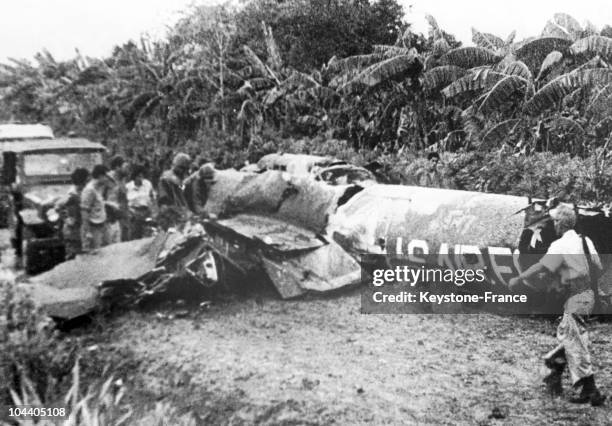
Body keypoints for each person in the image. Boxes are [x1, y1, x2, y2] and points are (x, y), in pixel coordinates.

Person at [509, 204, 606, 406]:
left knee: (573, 340)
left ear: (560, 223)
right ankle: (554, 367)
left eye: (554, 221)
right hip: (589, 296)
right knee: (571, 336)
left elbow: (541, 266)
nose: (553, 225)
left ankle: (590, 390)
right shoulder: (585, 241)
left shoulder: (560, 245)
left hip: (575, 297)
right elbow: (598, 266)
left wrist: (518, 279)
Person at [56, 168, 89, 259]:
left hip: (82, 232)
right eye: (87, 180)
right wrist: (68, 219)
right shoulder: (72, 195)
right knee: (74, 258)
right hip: (74, 233)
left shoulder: (82, 192)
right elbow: (58, 206)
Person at [80, 165, 110, 252]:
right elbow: (84, 211)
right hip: (93, 227)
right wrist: (88, 231)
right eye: (106, 176)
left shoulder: (99, 188)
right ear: (100, 176)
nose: (107, 179)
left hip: (101, 224)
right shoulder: (89, 190)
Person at [157, 152, 191, 228]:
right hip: (171, 215)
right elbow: (164, 200)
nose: (183, 171)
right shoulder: (167, 177)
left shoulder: (181, 178)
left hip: (182, 213)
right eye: (182, 168)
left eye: (185, 169)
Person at [126, 164, 156, 239]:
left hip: (146, 211)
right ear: (134, 177)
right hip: (134, 213)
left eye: (142, 176)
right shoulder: (128, 187)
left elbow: (152, 196)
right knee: (135, 233)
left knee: (148, 234)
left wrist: (153, 209)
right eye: (138, 176)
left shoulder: (147, 184)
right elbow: (125, 202)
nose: (140, 178)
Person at [105, 155, 130, 243]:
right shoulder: (106, 180)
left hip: (120, 220)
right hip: (109, 221)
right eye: (125, 167)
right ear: (117, 167)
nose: (128, 170)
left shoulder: (122, 180)